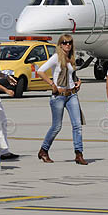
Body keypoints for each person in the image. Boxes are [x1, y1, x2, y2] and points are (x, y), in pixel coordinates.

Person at [37, 34, 86, 165]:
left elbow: (72, 75)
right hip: (58, 96)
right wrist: (52, 85)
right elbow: (40, 71)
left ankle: (79, 154)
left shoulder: (71, 58)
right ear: (60, 44)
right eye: (64, 43)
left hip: (72, 94)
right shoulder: (56, 58)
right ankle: (43, 150)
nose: (67, 45)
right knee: (56, 126)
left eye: (69, 43)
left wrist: (78, 81)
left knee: (77, 125)